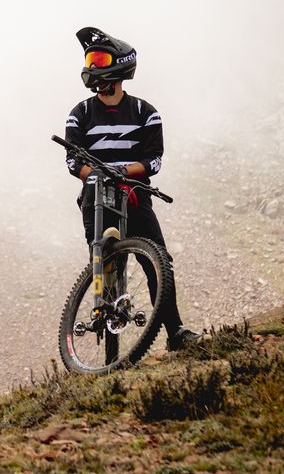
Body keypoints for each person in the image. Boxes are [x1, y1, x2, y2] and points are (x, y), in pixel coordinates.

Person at [63, 26, 201, 351]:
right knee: (107, 263)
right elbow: (72, 162)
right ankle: (109, 337)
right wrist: (96, 175)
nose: (93, 66)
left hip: (135, 196)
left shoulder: (146, 113)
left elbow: (153, 161)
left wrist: (122, 172)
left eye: (99, 58)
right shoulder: (79, 114)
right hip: (96, 197)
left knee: (159, 263)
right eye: (90, 59)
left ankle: (176, 332)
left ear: (120, 66)